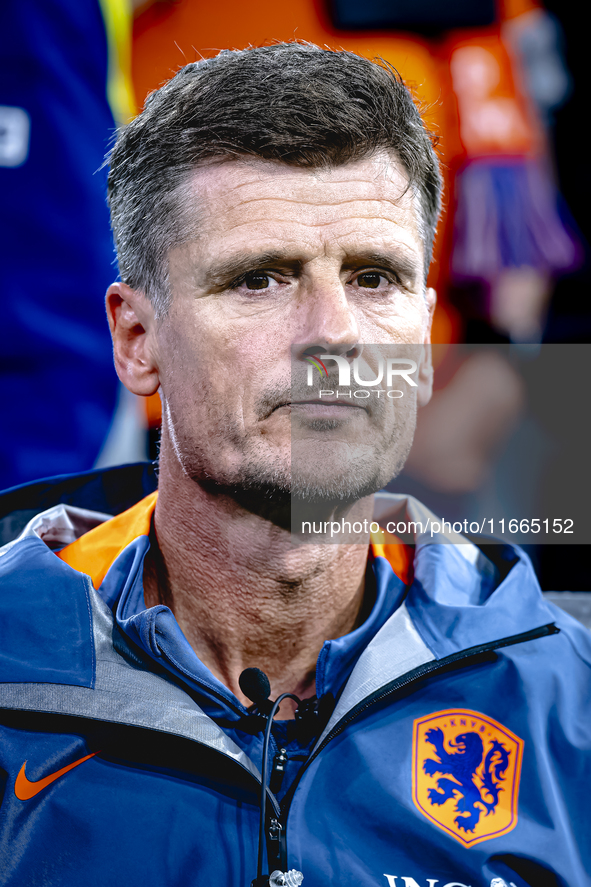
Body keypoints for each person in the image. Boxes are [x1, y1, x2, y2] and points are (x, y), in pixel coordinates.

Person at [0, 42, 589, 887]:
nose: (334, 335)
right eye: (259, 279)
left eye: (373, 277)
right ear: (137, 341)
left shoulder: (567, 707)